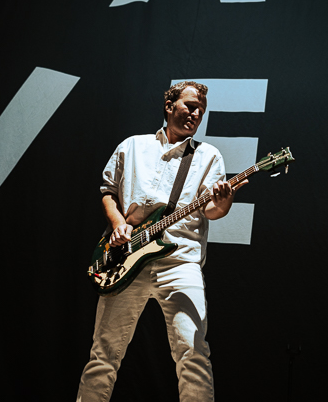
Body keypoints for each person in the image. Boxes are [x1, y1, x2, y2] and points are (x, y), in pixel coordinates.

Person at [76, 81, 247, 402]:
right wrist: (117, 225)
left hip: (180, 262)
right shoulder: (133, 146)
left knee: (193, 354)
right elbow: (108, 192)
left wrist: (225, 200)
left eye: (201, 110)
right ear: (169, 107)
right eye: (190, 105)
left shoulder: (208, 155)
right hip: (124, 260)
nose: (196, 113)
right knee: (103, 355)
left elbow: (211, 210)